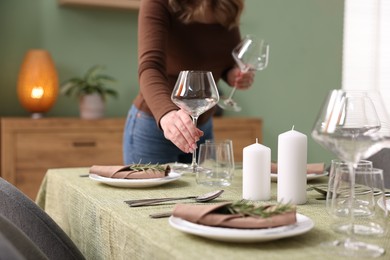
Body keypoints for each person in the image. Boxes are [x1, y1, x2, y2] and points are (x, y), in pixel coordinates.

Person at [123, 0, 255, 165]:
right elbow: (151, 67)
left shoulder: (227, 5)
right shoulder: (159, 3)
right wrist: (167, 115)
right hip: (157, 126)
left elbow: (225, 61)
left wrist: (232, 74)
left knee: (205, 189)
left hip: (202, 127)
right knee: (156, 191)